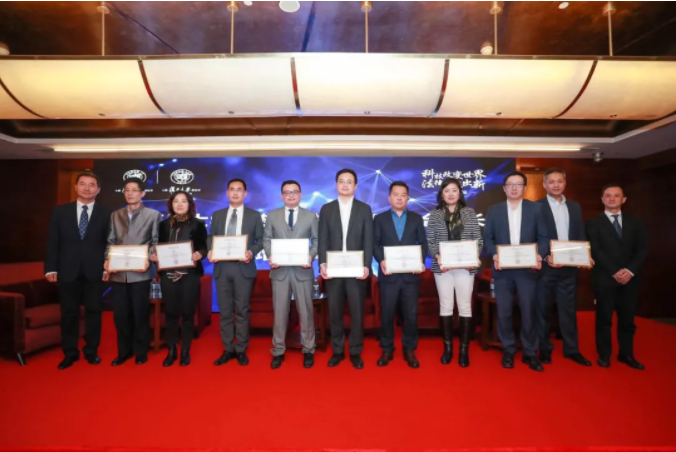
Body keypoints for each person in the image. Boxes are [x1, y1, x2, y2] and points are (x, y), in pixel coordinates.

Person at [484, 171, 549, 372]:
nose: (514, 188)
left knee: (528, 311)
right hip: (502, 270)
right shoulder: (494, 210)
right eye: (510, 184)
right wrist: (495, 254)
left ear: (524, 187)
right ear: (504, 188)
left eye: (518, 184)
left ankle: (530, 352)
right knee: (504, 311)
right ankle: (508, 349)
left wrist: (539, 255)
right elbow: (488, 239)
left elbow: (544, 237)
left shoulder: (536, 209)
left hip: (527, 270)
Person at [45, 172, 111, 370]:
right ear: (76, 187)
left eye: (92, 185)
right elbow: (53, 241)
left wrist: (109, 265)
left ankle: (91, 351)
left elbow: (110, 242)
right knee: (68, 313)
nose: (87, 188)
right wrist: (50, 268)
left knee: (94, 312)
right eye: (83, 184)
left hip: (95, 270)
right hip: (67, 269)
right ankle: (70, 353)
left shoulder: (106, 213)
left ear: (98, 189)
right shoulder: (60, 211)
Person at [586, 184, 647, 370]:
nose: (612, 198)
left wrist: (629, 271)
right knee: (604, 319)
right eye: (608, 195)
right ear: (602, 199)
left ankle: (626, 354)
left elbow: (642, 250)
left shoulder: (636, 222)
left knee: (627, 320)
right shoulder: (593, 223)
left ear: (624, 199)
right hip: (604, 278)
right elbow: (595, 250)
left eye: (616, 195)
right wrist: (614, 271)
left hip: (630, 279)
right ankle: (604, 355)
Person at [536, 168, 592, 367]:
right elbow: (533, 236)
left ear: (565, 183)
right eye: (551, 182)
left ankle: (572, 350)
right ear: (544, 184)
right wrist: (545, 256)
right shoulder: (537, 207)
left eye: (560, 181)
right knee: (543, 310)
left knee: (568, 310)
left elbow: (580, 234)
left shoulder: (575, 207)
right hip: (546, 267)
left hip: (569, 267)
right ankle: (544, 349)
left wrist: (585, 256)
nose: (556, 185)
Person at [318, 168, 374, 369]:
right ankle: (338, 351)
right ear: (336, 185)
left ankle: (355, 352)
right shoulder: (327, 209)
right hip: (333, 270)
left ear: (355, 186)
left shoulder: (364, 209)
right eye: (341, 181)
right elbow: (322, 237)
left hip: (355, 269)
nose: (345, 184)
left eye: (349, 181)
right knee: (334, 312)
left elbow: (368, 239)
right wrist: (322, 263)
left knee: (357, 312)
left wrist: (366, 264)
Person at [105, 177, 161, 366]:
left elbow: (155, 242)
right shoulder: (116, 215)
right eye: (127, 190)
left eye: (134, 190)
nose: (130, 193)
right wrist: (107, 260)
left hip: (140, 272)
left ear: (142, 193)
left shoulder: (153, 215)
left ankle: (141, 351)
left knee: (140, 313)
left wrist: (148, 258)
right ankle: (124, 351)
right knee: (120, 315)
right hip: (119, 273)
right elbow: (111, 241)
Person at [427, 177, 483, 368]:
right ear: (441, 194)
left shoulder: (469, 213)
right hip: (442, 267)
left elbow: (478, 239)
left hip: (466, 268)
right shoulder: (435, 215)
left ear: (459, 193)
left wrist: (474, 257)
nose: (450, 194)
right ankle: (448, 349)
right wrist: (438, 256)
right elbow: (431, 241)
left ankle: (464, 350)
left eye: (454, 190)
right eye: (447, 191)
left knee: (465, 306)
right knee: (446, 306)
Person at [263, 180, 319, 369]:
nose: (291, 195)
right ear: (282, 196)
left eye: (295, 192)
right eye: (287, 192)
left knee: (306, 311)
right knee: (280, 312)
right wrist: (270, 255)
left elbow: (317, 241)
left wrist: (310, 257)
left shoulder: (310, 216)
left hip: (303, 270)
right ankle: (278, 350)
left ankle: (309, 349)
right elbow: (266, 239)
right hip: (279, 271)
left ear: (300, 195)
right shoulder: (272, 216)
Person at [209, 178, 264, 367]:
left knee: (242, 310)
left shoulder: (254, 216)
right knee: (225, 311)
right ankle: (228, 349)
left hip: (243, 268)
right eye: (231, 189)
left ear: (245, 194)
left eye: (239, 190)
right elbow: (210, 237)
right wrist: (211, 250)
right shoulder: (217, 215)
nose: (235, 193)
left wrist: (251, 252)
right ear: (227, 193)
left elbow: (260, 240)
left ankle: (241, 349)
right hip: (222, 267)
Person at [373, 181, 427, 368]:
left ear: (407, 198)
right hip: (388, 275)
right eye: (395, 194)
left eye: (403, 195)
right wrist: (381, 260)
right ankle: (387, 349)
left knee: (411, 314)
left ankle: (409, 349)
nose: (399, 198)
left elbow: (423, 243)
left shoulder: (416, 218)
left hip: (410, 275)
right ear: (389, 197)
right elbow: (375, 243)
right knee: (387, 313)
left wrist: (420, 261)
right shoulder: (379, 219)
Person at [150, 191, 207, 367]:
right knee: (171, 314)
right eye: (176, 201)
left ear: (189, 204)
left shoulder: (198, 224)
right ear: (171, 204)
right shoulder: (163, 225)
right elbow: (158, 246)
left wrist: (200, 254)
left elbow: (204, 247)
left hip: (190, 275)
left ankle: (185, 351)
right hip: (168, 275)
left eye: (184, 201)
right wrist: (154, 256)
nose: (180, 204)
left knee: (188, 314)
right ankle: (172, 350)